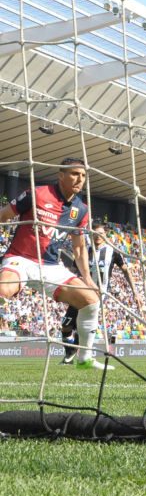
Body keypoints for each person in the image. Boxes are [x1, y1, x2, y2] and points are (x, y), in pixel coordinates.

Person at [0, 158, 110, 370]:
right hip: (21, 259)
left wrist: (87, 278)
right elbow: (4, 215)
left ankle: (84, 358)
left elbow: (78, 248)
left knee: (91, 300)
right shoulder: (37, 193)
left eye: (84, 175)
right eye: (75, 174)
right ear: (60, 175)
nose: (80, 179)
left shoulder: (82, 209)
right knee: (3, 290)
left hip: (51, 267)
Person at [59, 222, 141, 364]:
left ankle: (77, 357)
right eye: (95, 233)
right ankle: (71, 351)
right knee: (66, 326)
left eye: (101, 234)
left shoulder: (113, 252)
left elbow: (126, 270)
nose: (98, 236)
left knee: (82, 325)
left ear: (105, 235)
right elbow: (73, 271)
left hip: (97, 296)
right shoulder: (84, 250)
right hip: (80, 292)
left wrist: (135, 292)